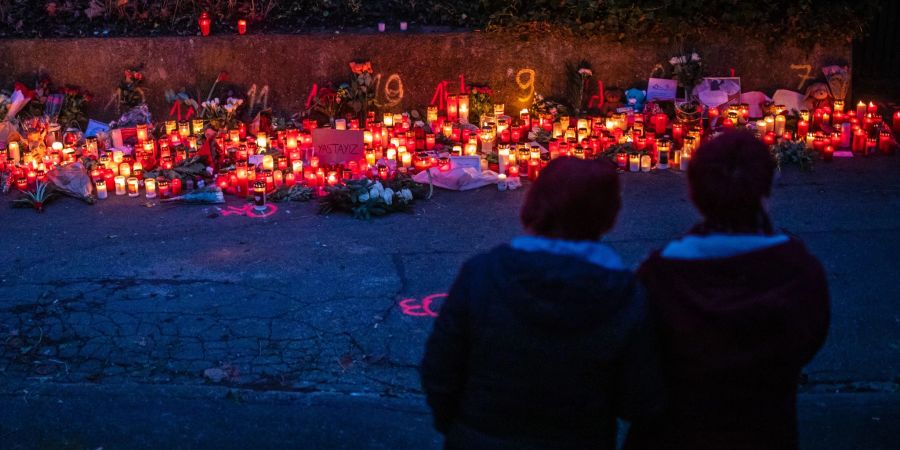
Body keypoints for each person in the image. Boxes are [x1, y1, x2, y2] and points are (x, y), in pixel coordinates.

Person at [421, 157, 663, 450]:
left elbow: (440, 368)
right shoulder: (624, 295)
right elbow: (639, 398)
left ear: (533, 204)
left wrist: (460, 430)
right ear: (610, 216)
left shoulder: (483, 273)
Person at [625, 130, 830, 450]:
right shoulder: (799, 272)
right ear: (766, 190)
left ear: (694, 194)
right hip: (764, 433)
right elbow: (808, 342)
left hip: (674, 434)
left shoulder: (659, 276)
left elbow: (638, 362)